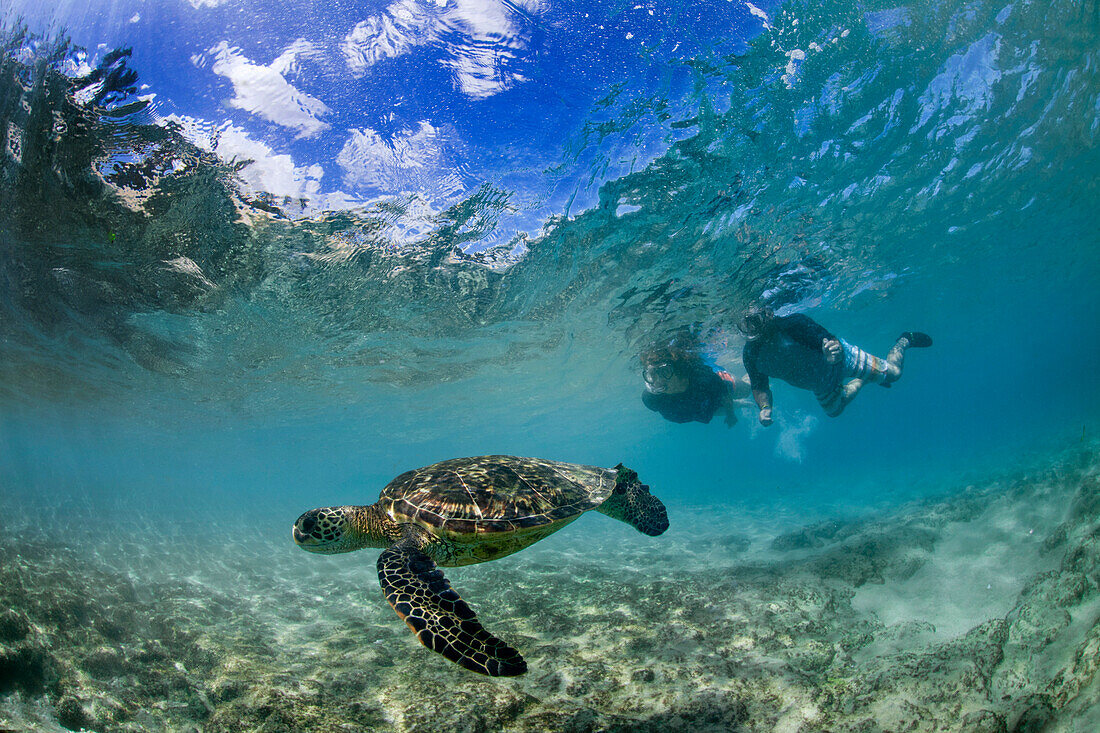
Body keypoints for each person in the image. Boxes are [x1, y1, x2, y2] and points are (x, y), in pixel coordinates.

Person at [739, 305, 932, 425]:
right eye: (747, 323)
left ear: (769, 314)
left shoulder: (794, 324)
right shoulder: (750, 354)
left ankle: (905, 340)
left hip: (845, 361)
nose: (753, 327)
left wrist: (834, 351)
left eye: (755, 320)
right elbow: (759, 385)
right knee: (835, 411)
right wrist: (764, 407)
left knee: (895, 374)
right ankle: (863, 380)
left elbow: (832, 341)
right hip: (822, 385)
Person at [640, 333, 748, 426]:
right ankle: (740, 403)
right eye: (652, 374)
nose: (659, 380)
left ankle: (752, 377)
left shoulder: (704, 378)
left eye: (665, 372)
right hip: (704, 408)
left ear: (678, 371)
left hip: (721, 387)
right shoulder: (651, 398)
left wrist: (731, 415)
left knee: (747, 390)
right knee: (712, 409)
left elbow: (724, 396)